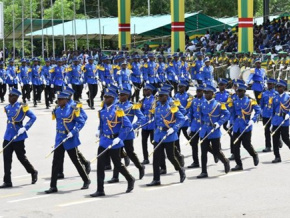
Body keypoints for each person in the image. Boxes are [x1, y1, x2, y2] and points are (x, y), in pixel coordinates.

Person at [90, 89, 135, 197]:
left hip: (115, 141)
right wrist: (99, 130)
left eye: (107, 97)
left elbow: (128, 126)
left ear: (113, 99)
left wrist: (120, 138)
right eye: (104, 97)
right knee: (100, 165)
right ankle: (100, 190)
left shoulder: (118, 111)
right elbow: (102, 123)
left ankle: (130, 178)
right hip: (104, 141)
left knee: (118, 164)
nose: (105, 99)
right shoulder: (103, 111)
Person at [45, 92, 90, 194]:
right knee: (55, 163)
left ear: (66, 100)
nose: (59, 101)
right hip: (59, 138)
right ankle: (53, 186)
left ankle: (86, 180)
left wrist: (73, 132)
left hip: (69, 138)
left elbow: (81, 121)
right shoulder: (57, 109)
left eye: (61, 99)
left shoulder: (72, 109)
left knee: (76, 161)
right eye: (58, 99)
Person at [146, 87, 186, 186]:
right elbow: (156, 120)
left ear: (166, 96)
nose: (159, 98)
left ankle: (180, 170)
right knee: (156, 158)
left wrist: (174, 128)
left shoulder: (171, 106)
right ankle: (156, 179)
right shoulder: (158, 106)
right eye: (158, 96)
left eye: (161, 96)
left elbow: (181, 119)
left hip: (169, 135)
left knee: (171, 156)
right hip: (158, 135)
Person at [0, 88, 38, 188]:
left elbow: (33, 117)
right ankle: (7, 181)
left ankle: (33, 171)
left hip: (18, 136)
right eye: (9, 96)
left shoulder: (22, 107)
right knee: (6, 159)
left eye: (11, 96)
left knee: (21, 157)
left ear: (16, 97)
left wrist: (25, 128)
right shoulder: (7, 107)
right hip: (8, 136)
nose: (9, 97)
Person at [107, 88, 145, 183]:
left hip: (127, 133)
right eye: (119, 95)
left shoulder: (132, 106)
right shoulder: (116, 106)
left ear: (127, 96)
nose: (120, 97)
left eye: (122, 95)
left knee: (130, 152)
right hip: (118, 133)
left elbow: (142, 118)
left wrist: (133, 126)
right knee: (117, 155)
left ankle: (140, 167)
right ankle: (115, 176)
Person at [196, 84, 230, 178]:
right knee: (203, 151)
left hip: (214, 130)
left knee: (216, 151)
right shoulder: (202, 104)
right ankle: (204, 171)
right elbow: (200, 117)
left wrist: (219, 123)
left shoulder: (218, 104)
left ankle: (225, 161)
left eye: (208, 93)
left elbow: (227, 115)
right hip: (204, 131)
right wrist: (200, 126)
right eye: (205, 93)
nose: (206, 95)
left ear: (212, 94)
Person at [228, 82, 261, 171]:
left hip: (246, 125)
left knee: (246, 145)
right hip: (237, 126)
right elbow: (233, 113)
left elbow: (258, 111)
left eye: (241, 91)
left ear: (244, 91)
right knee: (235, 146)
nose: (238, 93)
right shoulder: (235, 101)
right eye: (238, 91)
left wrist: (253, 120)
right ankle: (239, 164)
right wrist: (231, 121)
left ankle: (254, 155)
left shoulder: (250, 100)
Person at [270, 79, 290, 163]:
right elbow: (273, 110)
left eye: (280, 87)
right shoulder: (275, 97)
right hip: (276, 120)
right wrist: (271, 122)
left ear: (284, 87)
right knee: (275, 139)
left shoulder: (288, 97)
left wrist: (289, 114)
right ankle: (277, 157)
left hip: (284, 120)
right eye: (277, 87)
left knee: (285, 138)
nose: (278, 88)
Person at [186, 84, 205, 168]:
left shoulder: (206, 101)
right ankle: (196, 162)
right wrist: (189, 126)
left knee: (205, 145)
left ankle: (216, 154)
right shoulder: (194, 101)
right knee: (194, 144)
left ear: (203, 92)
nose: (198, 93)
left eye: (200, 91)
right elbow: (190, 113)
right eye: (197, 91)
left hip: (203, 125)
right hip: (194, 125)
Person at [260, 78, 278, 152]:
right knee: (266, 131)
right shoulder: (264, 93)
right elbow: (261, 104)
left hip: (273, 115)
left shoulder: (276, 94)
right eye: (268, 84)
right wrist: (261, 113)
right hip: (266, 114)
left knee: (274, 130)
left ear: (273, 85)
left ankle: (277, 142)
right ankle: (268, 146)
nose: (268, 85)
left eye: (270, 84)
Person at [140, 84, 156, 164]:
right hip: (145, 123)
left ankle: (157, 156)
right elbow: (141, 110)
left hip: (152, 124)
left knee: (153, 141)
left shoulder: (155, 100)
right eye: (144, 90)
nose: (145, 91)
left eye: (147, 90)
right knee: (143, 142)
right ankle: (145, 158)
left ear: (151, 91)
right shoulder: (143, 100)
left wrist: (154, 115)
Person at [174, 81, 192, 152]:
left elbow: (191, 108)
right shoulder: (176, 95)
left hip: (185, 120)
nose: (180, 88)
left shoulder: (188, 96)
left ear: (185, 87)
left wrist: (188, 116)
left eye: (181, 87)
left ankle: (193, 146)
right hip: (178, 120)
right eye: (179, 87)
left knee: (187, 135)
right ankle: (178, 152)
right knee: (176, 137)